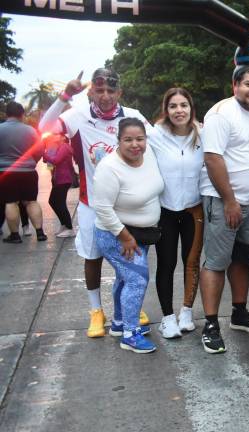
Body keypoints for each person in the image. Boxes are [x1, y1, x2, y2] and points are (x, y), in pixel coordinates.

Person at [38, 69, 152, 338]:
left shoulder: (132, 116)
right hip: (92, 203)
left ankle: (129, 307)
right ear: (90, 92)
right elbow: (44, 128)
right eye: (99, 90)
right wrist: (65, 96)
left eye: (111, 91)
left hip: (127, 205)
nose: (105, 96)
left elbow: (157, 141)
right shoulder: (77, 116)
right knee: (92, 257)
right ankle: (96, 311)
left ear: (119, 93)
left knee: (131, 257)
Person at [198, 65, 249, 354]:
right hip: (225, 202)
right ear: (235, 85)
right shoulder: (220, 114)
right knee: (216, 262)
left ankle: (239, 313)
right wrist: (230, 200)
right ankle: (211, 324)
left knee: (242, 258)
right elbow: (213, 159)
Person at [92, 118, 163, 353]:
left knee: (126, 278)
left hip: (141, 233)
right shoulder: (109, 168)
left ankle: (120, 323)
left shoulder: (149, 154)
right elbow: (102, 207)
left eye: (140, 139)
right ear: (118, 141)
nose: (135, 145)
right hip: (115, 235)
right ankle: (130, 335)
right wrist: (124, 236)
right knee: (136, 280)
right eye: (128, 140)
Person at [148, 88, 204, 338]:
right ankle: (168, 317)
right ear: (166, 109)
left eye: (184, 105)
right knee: (167, 263)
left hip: (194, 210)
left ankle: (186, 312)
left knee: (191, 263)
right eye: (173, 106)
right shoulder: (154, 134)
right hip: (165, 210)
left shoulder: (202, 134)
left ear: (191, 108)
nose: (179, 110)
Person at [0, 101, 46, 244]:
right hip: (28, 171)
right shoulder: (30, 130)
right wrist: (32, 162)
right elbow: (40, 149)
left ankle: (15, 235)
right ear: (22, 114)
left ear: (7, 114)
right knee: (31, 201)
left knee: (10, 202)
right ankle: (40, 233)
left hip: (5, 172)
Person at [42, 132, 76, 237]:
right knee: (53, 201)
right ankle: (64, 224)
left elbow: (56, 160)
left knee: (59, 202)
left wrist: (43, 153)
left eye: (56, 134)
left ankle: (69, 228)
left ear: (63, 137)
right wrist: (47, 151)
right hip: (58, 179)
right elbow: (48, 163)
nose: (53, 136)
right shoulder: (57, 146)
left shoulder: (65, 147)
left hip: (64, 179)